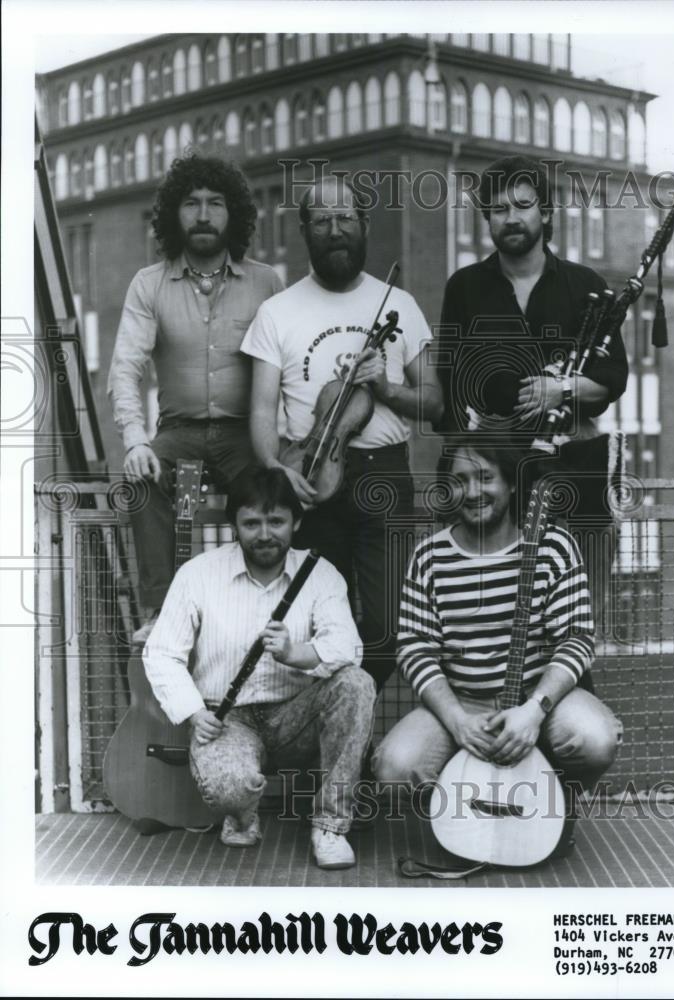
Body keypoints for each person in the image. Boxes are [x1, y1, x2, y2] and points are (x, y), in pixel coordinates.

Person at [372, 437, 623, 855]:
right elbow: (414, 647)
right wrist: (456, 720)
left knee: (594, 739)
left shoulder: (554, 546)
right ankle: (464, 812)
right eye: (460, 480)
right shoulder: (429, 556)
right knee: (393, 769)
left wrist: (533, 711)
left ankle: (552, 804)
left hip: (538, 701)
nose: (472, 491)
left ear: (509, 484)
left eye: (485, 477)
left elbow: (576, 638)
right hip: (463, 703)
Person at [241, 175, 444, 690]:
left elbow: (435, 404)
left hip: (385, 476)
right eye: (323, 221)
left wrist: (389, 388)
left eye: (346, 219)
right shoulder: (277, 312)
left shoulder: (399, 304)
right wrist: (277, 468)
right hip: (308, 476)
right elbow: (262, 414)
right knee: (312, 623)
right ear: (305, 231)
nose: (336, 231)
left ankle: (358, 718)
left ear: (365, 225)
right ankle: (333, 744)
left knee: (388, 627)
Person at [142, 467, 376, 869]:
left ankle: (331, 827)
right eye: (251, 522)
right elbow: (161, 653)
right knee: (229, 788)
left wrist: (296, 652)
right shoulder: (197, 574)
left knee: (356, 684)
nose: (264, 533)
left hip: (296, 714)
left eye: (276, 521)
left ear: (296, 522)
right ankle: (241, 812)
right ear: (235, 524)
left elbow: (347, 648)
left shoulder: (320, 574)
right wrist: (194, 713)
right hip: (227, 719)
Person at [437, 154, 629, 630]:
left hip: (574, 457)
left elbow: (613, 379)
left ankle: (569, 693)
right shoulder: (465, 287)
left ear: (545, 213)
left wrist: (559, 389)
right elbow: (449, 382)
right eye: (499, 209)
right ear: (487, 219)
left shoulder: (584, 284)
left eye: (523, 205)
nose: (511, 217)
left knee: (578, 600)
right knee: (498, 601)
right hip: (497, 465)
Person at [108, 154, 284, 644]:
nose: (203, 214)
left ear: (236, 215)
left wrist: (284, 444)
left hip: (244, 434)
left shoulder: (267, 282)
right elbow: (125, 367)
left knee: (275, 491)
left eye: (215, 203)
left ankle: (266, 614)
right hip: (177, 434)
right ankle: (164, 615)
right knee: (144, 481)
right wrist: (135, 439)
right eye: (191, 203)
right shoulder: (149, 284)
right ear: (172, 214)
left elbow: (287, 367)